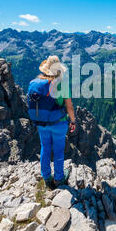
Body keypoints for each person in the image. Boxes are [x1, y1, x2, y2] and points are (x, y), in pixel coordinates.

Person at [28, 56, 76, 190]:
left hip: (41, 123)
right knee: (59, 150)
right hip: (59, 123)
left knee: (45, 148)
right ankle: (59, 178)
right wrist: (73, 121)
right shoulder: (62, 85)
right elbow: (69, 107)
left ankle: (47, 178)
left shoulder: (36, 83)